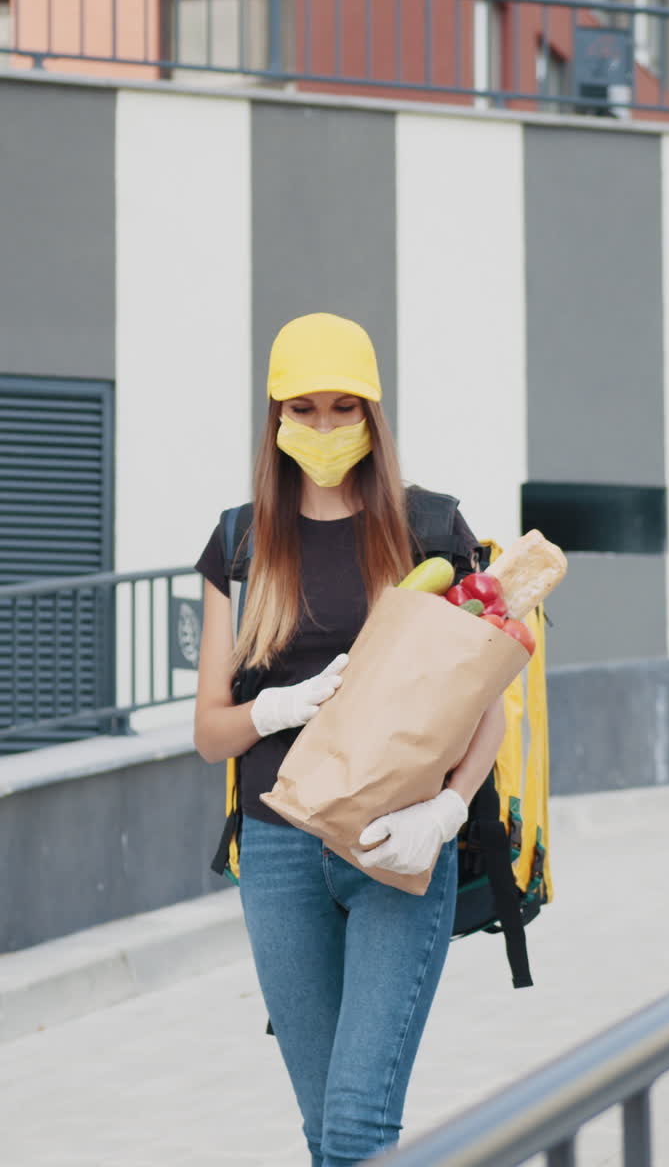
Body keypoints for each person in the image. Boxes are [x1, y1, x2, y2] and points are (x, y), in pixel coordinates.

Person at [193, 312, 507, 1167]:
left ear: (373, 416)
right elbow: (210, 736)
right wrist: (279, 709)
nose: (326, 428)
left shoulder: (429, 530)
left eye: (344, 408)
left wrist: (446, 813)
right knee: (322, 1129)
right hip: (279, 853)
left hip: (397, 847)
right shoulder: (240, 543)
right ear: (276, 419)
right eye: (306, 409)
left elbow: (488, 698)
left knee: (360, 1124)